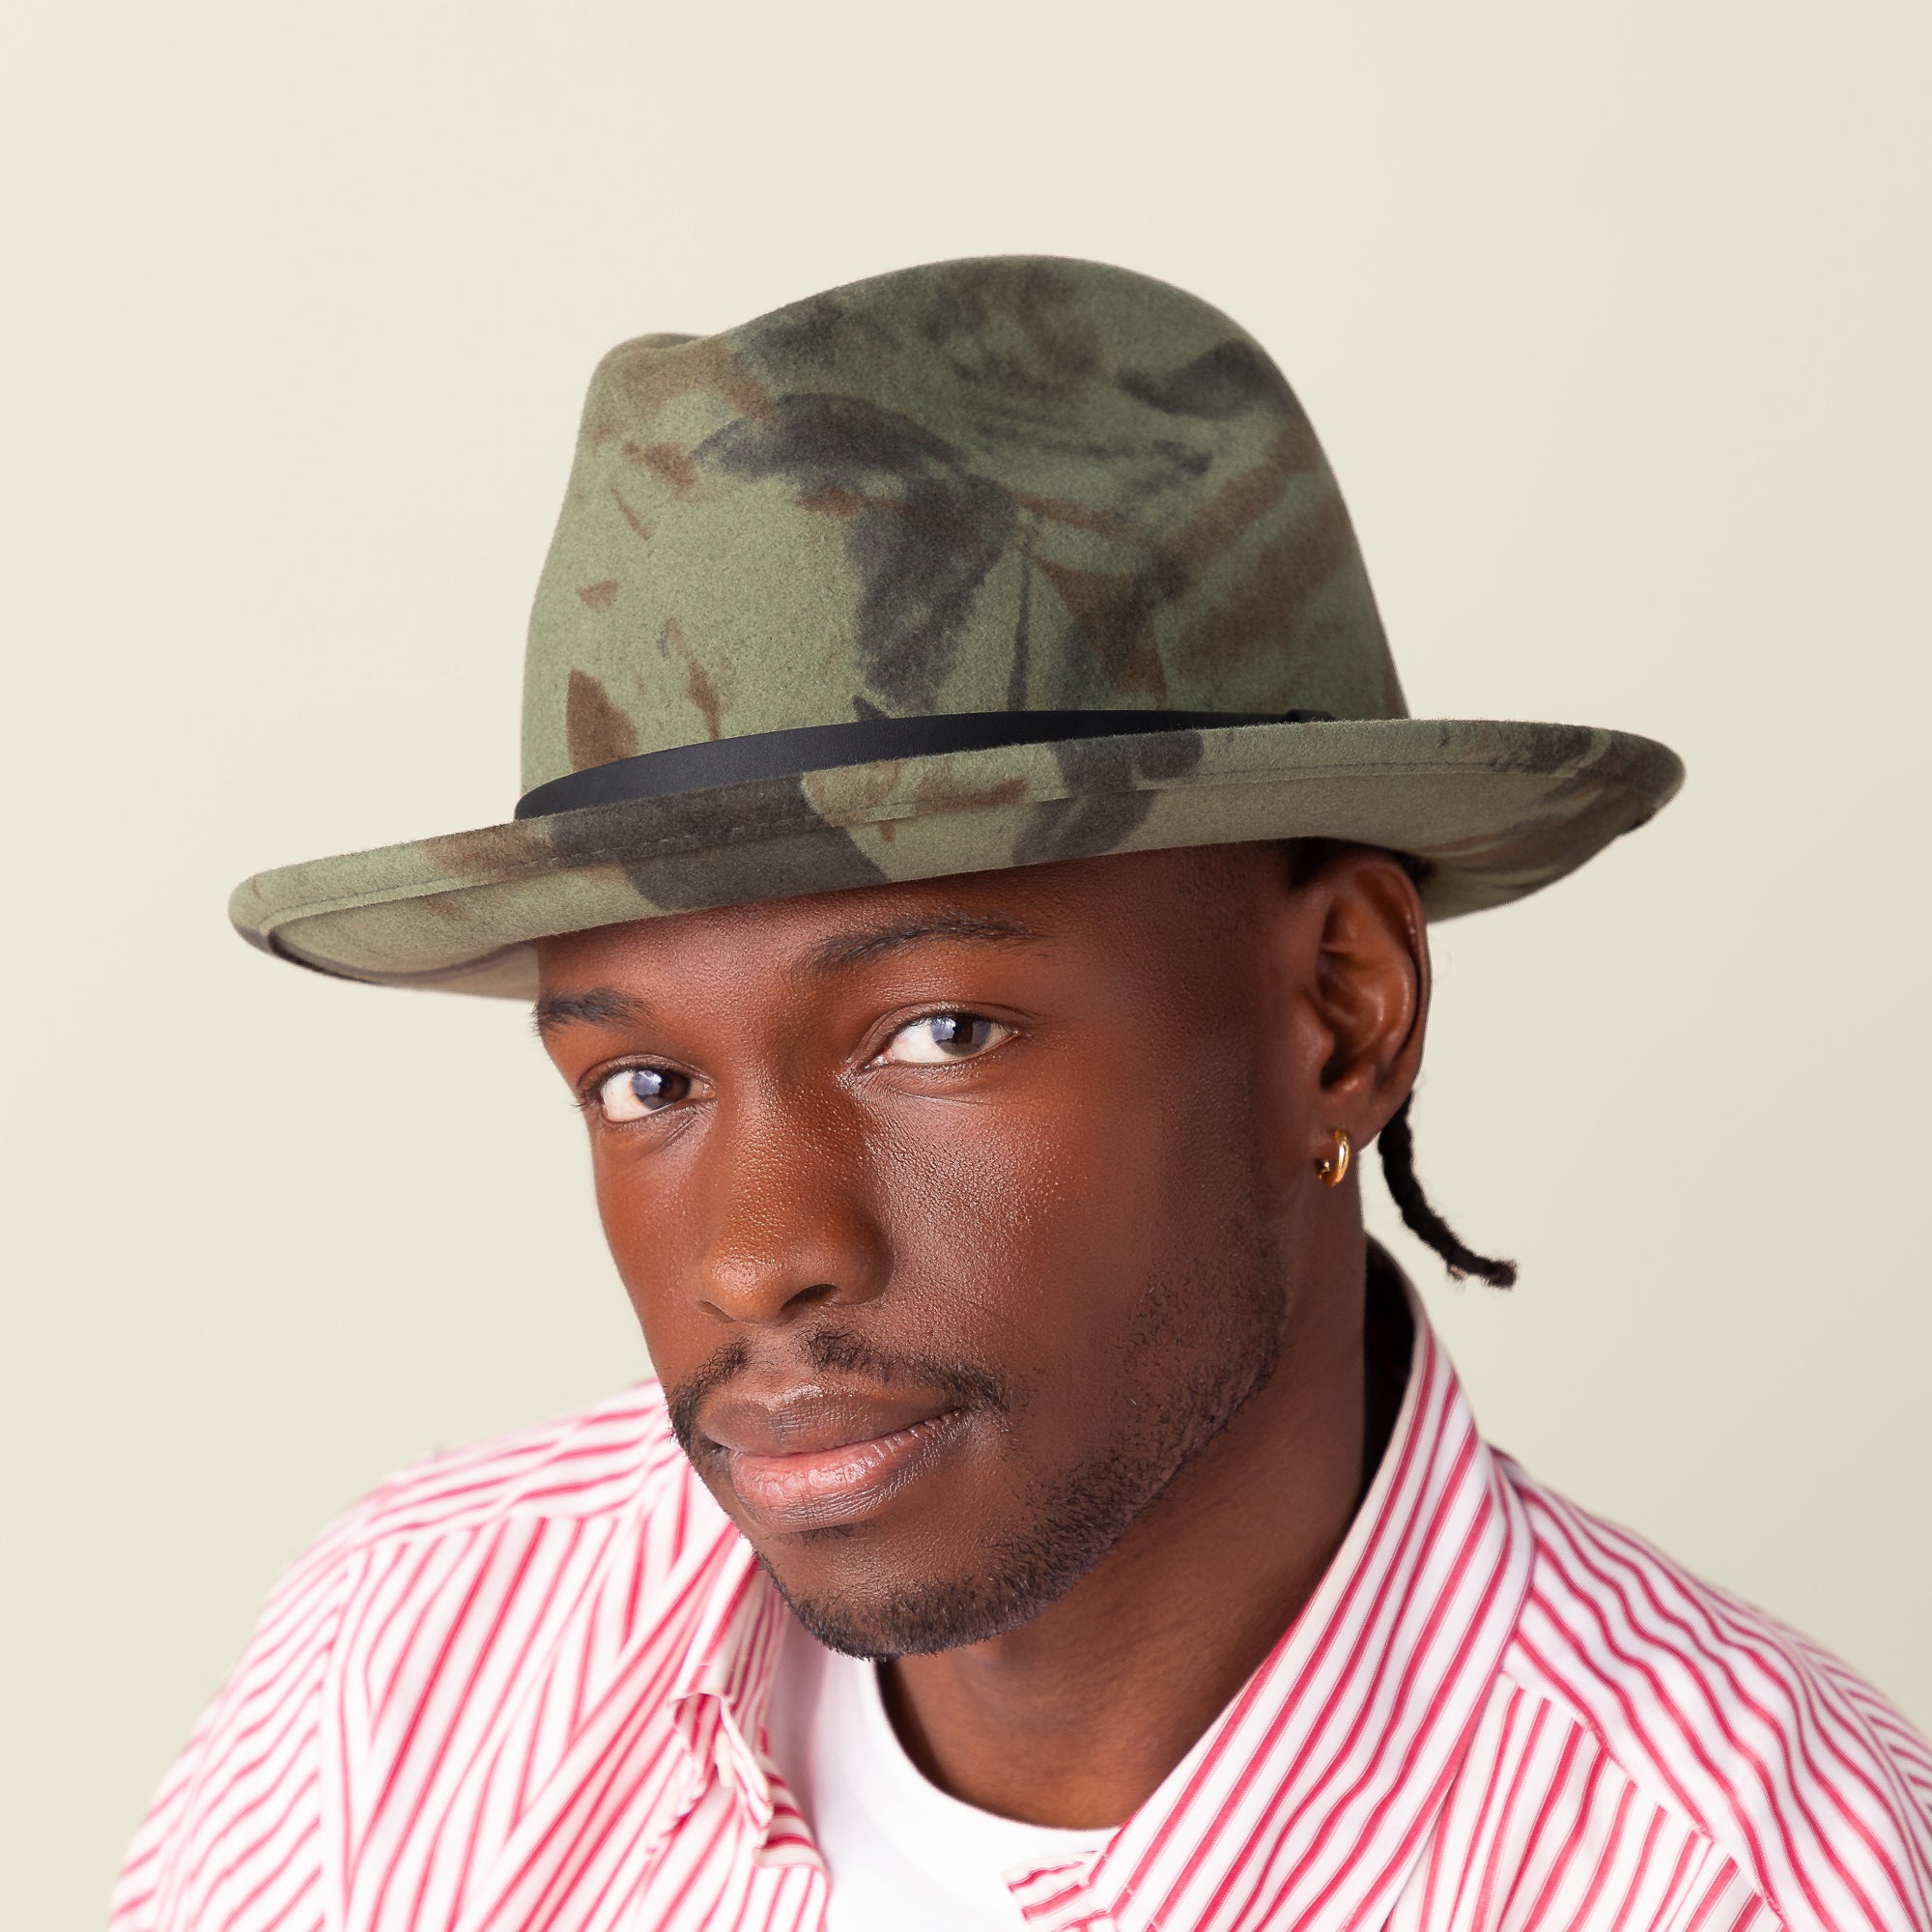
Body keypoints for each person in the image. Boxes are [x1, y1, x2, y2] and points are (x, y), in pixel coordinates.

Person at [113, 257, 1931, 1932]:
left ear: (1341, 1012)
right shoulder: (406, 1658)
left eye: (940, 1035)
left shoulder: (1753, 1884)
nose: (755, 1258)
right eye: (645, 1080)